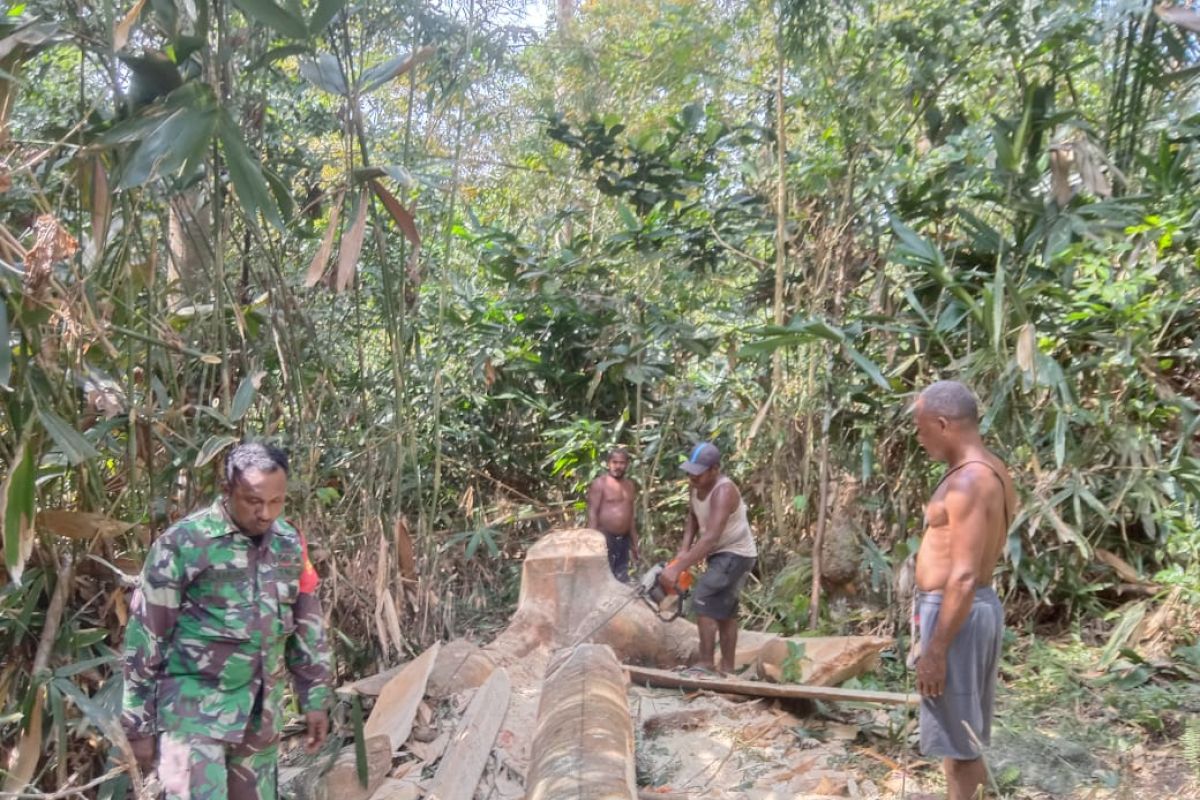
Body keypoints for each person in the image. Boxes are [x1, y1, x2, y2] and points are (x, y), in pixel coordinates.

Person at [122, 442, 333, 800]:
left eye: (276, 501)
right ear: (227, 491)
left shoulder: (289, 543)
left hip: (260, 717)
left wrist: (314, 698)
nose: (265, 513)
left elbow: (306, 624)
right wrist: (137, 725)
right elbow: (146, 634)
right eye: (253, 501)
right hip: (191, 713)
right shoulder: (184, 543)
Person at [910, 381, 1016, 800]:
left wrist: (936, 649)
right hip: (967, 609)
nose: (920, 440)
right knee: (962, 725)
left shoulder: (970, 482)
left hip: (959, 611)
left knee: (959, 739)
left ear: (943, 424)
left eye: (921, 430)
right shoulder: (991, 470)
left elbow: (964, 575)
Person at [661, 442, 757, 674]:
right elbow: (692, 519)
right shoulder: (695, 486)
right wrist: (683, 552)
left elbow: (711, 537)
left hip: (736, 552)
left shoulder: (723, 491)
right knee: (725, 612)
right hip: (721, 553)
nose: (692, 477)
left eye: (698, 472)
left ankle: (705, 663)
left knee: (703, 598)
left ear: (714, 469)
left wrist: (677, 568)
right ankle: (727, 669)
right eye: (690, 472)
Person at [586, 448, 640, 582]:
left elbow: (631, 515)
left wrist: (635, 542)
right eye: (614, 462)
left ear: (627, 464)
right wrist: (591, 541)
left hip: (624, 540)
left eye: (621, 463)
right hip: (605, 538)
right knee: (604, 577)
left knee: (622, 576)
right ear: (608, 463)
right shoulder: (600, 483)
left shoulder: (630, 485)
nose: (618, 466)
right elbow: (593, 512)